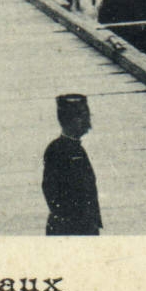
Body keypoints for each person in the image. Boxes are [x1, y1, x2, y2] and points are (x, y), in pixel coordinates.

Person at [42, 94, 102, 236]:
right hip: (70, 228)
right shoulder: (57, 150)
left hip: (84, 225)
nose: (87, 122)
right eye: (82, 117)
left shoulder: (76, 148)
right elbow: (50, 190)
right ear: (69, 121)